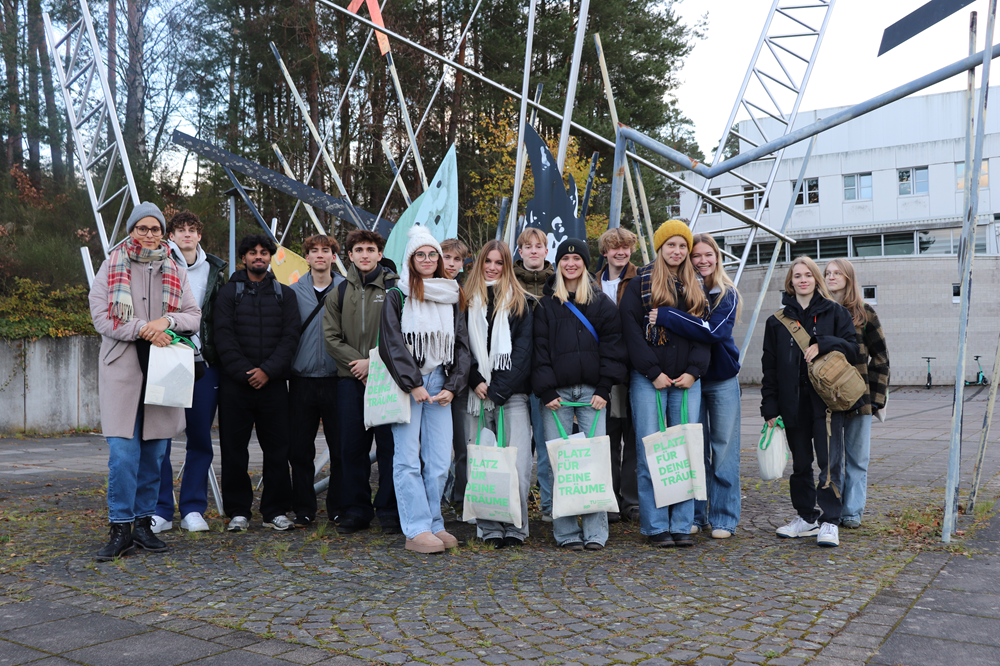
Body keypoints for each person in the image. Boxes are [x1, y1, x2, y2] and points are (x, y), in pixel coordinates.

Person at [87, 202, 201, 560]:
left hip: (164, 370)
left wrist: (165, 323)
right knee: (124, 453)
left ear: (162, 233)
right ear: (132, 230)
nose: (149, 234)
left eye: (155, 229)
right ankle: (119, 526)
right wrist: (142, 328)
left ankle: (142, 525)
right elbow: (102, 319)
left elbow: (193, 316)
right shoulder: (112, 265)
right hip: (122, 371)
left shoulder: (175, 268)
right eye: (143, 228)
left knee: (155, 454)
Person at [379, 227, 470, 553]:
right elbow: (390, 343)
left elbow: (461, 343)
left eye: (433, 254)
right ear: (411, 258)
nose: (429, 259)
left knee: (437, 461)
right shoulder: (397, 294)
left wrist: (453, 385)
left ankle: (434, 522)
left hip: (440, 384)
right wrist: (413, 383)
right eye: (422, 254)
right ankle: (415, 529)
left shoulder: (451, 293)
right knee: (406, 460)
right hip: (410, 385)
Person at [620, 219, 710, 548]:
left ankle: (682, 524)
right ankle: (656, 525)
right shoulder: (640, 281)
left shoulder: (697, 283)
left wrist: (694, 371)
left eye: (682, 245)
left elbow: (704, 334)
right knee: (652, 454)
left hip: (687, 380)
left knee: (684, 453)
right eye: (671, 244)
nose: (677, 251)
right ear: (660, 247)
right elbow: (630, 330)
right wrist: (652, 371)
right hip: (649, 380)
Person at [534, 238, 627, 550]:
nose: (570, 263)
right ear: (558, 263)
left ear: (586, 264)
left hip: (592, 394)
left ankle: (596, 531)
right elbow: (539, 351)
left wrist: (604, 388)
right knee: (562, 465)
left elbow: (614, 349)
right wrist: (546, 390)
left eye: (577, 258)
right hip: (556, 395)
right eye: (565, 258)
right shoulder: (546, 305)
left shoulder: (602, 304)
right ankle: (565, 532)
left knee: (594, 465)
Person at [761, 256, 858, 548]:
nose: (802, 280)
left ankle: (830, 521)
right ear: (790, 282)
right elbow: (770, 367)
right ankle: (805, 517)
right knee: (801, 464)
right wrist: (770, 406)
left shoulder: (835, 312)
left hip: (826, 405)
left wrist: (824, 343)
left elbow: (854, 351)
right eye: (797, 276)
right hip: (792, 405)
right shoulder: (776, 321)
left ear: (816, 279)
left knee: (830, 464)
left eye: (808, 275)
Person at [652, 234, 743, 539]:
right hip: (690, 379)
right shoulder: (685, 290)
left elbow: (712, 331)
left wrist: (667, 316)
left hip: (721, 381)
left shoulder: (726, 293)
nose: (702, 261)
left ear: (717, 258)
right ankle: (695, 514)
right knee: (693, 450)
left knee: (724, 450)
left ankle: (724, 518)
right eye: (696, 256)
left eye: (708, 255)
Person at [214, 234, 300, 532]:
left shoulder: (284, 295)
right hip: (235, 386)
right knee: (234, 450)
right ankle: (238, 511)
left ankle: (274, 510)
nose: (259, 257)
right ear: (244, 258)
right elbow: (223, 337)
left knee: (278, 450)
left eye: (264, 252)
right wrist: (246, 372)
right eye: (253, 252)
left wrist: (268, 371)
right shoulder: (228, 293)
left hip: (273, 385)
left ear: (271, 258)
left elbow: (291, 339)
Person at [151, 211, 227, 534]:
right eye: (179, 230)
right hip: (169, 357)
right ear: (171, 236)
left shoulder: (216, 271)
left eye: (191, 230)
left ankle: (193, 507)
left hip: (205, 363)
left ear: (200, 235)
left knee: (200, 438)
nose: (185, 235)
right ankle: (161, 510)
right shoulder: (160, 263)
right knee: (162, 439)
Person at [323, 229, 401, 535]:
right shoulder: (339, 292)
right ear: (350, 256)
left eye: (371, 249)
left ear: (380, 254)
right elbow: (331, 337)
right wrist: (358, 365)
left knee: (389, 448)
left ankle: (389, 509)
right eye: (359, 250)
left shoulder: (396, 289)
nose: (365, 254)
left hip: (388, 380)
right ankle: (357, 509)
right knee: (351, 448)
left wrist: (375, 364)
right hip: (350, 380)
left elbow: (402, 334)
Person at [464, 240, 534, 548]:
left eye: (499, 262)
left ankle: (515, 527)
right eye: (488, 261)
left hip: (512, 395)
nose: (492, 267)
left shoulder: (520, 301)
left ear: (507, 266)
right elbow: (459, 346)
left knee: (517, 467)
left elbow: (523, 352)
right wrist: (476, 380)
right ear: (480, 263)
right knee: (483, 465)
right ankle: (490, 528)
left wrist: (499, 390)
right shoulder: (465, 300)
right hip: (476, 396)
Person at [825, 258, 889, 529]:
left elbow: (881, 358)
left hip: (861, 400)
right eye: (827, 273)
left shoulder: (865, 312)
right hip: (827, 400)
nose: (831, 277)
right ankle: (831, 510)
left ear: (849, 278)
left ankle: (852, 512)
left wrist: (875, 400)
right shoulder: (819, 312)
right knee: (830, 460)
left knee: (857, 460)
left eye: (837, 273)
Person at [289, 235, 346, 527]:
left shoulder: (346, 289)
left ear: (334, 257)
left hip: (338, 379)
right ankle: (304, 508)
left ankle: (337, 506)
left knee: (340, 448)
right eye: (314, 251)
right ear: (307, 258)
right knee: (300, 449)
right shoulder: (292, 291)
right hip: (302, 380)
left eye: (326, 250)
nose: (320, 255)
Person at [596, 227, 640, 524]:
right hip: (604, 367)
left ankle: (632, 500)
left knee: (634, 435)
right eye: (615, 248)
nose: (620, 252)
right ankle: (609, 497)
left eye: (625, 247)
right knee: (608, 434)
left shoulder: (641, 277)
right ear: (605, 252)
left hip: (636, 366)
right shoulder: (592, 282)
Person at [513, 227, 556, 520]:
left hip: (548, 376)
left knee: (546, 446)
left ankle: (550, 507)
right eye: (527, 247)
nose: (533, 251)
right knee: (513, 447)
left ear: (545, 250)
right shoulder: (507, 281)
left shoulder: (560, 281)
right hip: (515, 376)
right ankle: (510, 504)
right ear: (520, 252)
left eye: (538, 246)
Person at [440, 237, 472, 510]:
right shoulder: (424, 287)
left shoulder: (462, 292)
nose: (451, 264)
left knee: (463, 444)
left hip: (457, 378)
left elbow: (464, 341)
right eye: (446, 257)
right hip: (430, 375)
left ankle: (462, 499)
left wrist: (458, 379)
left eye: (456, 259)